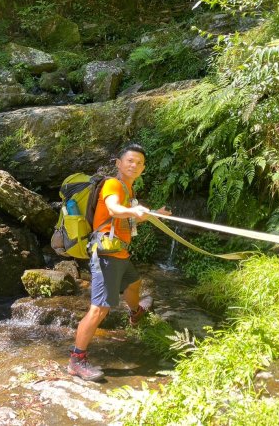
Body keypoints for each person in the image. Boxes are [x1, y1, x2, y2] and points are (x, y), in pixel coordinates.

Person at [67, 143, 171, 381]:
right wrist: (133, 211)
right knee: (100, 309)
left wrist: (154, 214)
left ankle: (135, 314)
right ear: (118, 163)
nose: (134, 165)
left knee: (134, 284)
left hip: (120, 254)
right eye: (130, 161)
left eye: (139, 163)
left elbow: (126, 222)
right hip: (106, 256)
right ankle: (76, 360)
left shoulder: (129, 190)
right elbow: (114, 209)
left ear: (143, 168)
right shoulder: (113, 185)